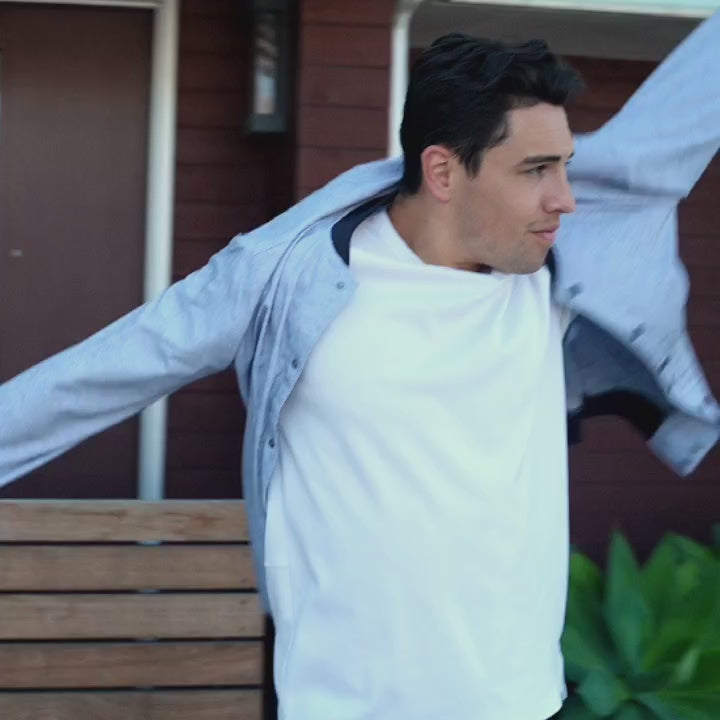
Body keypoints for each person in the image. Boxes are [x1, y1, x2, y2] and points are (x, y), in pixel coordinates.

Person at [1, 11, 719, 720]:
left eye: (565, 165)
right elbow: (94, 378)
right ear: (442, 170)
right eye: (536, 169)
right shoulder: (286, 279)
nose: (566, 197)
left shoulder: (557, 261)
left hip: (521, 703)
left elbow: (697, 94)